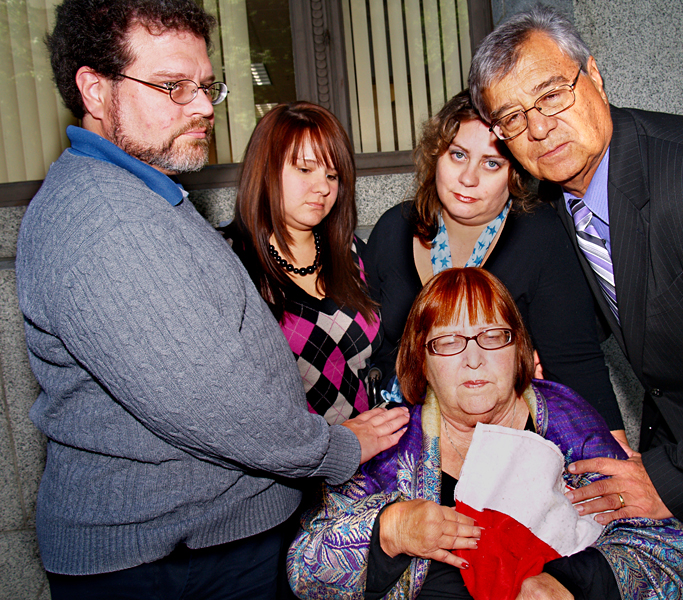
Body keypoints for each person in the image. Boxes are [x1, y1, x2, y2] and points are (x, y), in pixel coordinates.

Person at [16, 0, 408, 597]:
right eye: (172, 86)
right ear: (95, 91)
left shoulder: (150, 196)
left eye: (204, 85)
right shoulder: (106, 222)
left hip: (211, 540)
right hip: (164, 560)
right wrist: (338, 446)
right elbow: (210, 399)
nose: (202, 107)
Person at [468, 5, 683, 598]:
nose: (540, 129)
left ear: (594, 75)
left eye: (551, 95)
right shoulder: (557, 202)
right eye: (515, 119)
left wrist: (671, 482)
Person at [287, 268, 683, 600]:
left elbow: (672, 543)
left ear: (518, 347)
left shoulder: (561, 417)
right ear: (420, 361)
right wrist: (390, 530)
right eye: (448, 341)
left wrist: (570, 583)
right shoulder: (392, 440)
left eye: (492, 336)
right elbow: (304, 570)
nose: (473, 359)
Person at [364, 90, 627, 443]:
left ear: (515, 173)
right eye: (458, 155)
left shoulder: (540, 237)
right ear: (435, 156)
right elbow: (374, 349)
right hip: (402, 436)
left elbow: (576, 362)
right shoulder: (393, 228)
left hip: (509, 440)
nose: (468, 179)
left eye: (491, 163)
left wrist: (612, 449)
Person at [222, 103, 381, 425]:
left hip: (371, 460)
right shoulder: (227, 262)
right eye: (305, 169)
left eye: (332, 175)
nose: (323, 187)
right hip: (293, 466)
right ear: (266, 169)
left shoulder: (350, 251)